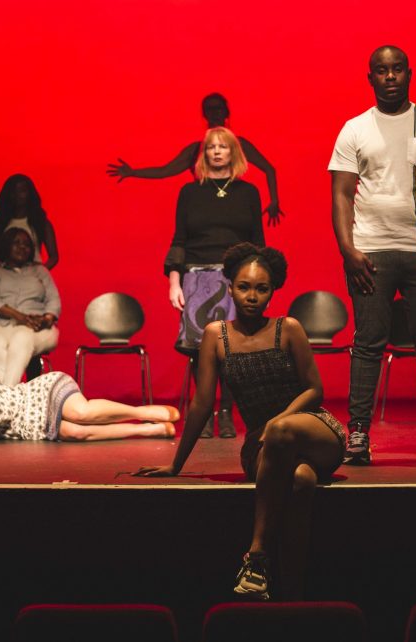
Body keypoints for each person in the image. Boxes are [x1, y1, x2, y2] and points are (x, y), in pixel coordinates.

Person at [137, 243, 346, 601]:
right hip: (265, 449)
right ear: (229, 286)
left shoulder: (289, 328)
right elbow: (202, 404)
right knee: (301, 479)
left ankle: (257, 555)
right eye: (244, 287)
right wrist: (175, 464)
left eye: (261, 289)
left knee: (282, 432)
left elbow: (315, 391)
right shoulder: (216, 335)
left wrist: (277, 422)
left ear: (272, 291)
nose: (252, 296)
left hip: (312, 430)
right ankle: (293, 593)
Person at [329, 45, 416, 466]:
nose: (390, 77)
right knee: (368, 344)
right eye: (381, 71)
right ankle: (358, 435)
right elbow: (341, 194)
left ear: (410, 73)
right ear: (369, 78)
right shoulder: (355, 129)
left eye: (397, 70)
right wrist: (349, 251)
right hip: (371, 253)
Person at [165, 126, 265, 438]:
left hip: (236, 279)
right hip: (197, 278)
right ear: (205, 154)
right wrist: (174, 282)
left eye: (223, 146)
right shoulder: (190, 192)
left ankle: (226, 414)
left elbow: (257, 241)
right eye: (211, 147)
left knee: (233, 350)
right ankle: (205, 411)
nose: (217, 151)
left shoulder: (248, 192)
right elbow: (179, 239)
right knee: (200, 350)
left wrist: (259, 282)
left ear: (233, 152)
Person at [106, 93, 285, 225]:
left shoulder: (239, 145)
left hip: (234, 212)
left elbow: (269, 169)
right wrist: (133, 172)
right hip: (204, 213)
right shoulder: (195, 151)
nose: (214, 112)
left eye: (218, 108)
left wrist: (274, 200)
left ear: (226, 112)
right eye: (210, 109)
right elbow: (165, 171)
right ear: (204, 114)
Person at [0, 372, 179, 442]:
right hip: (34, 427)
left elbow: (1, 414)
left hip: (42, 393)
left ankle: (144, 412)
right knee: (78, 434)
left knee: (82, 413)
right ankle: (149, 430)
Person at [0, 227, 60, 386]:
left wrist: (47, 318)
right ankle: (15, 395)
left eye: (26, 244)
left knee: (22, 337)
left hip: (36, 327)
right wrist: (19, 316)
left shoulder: (40, 271)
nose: (22, 247)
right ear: (6, 246)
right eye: (16, 243)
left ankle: (7, 394)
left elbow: (53, 300)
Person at [0, 174, 59, 270]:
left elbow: (54, 256)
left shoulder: (41, 222)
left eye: (22, 191)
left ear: (30, 194)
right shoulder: (2, 223)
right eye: (14, 191)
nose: (18, 195)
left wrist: (40, 272)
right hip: (6, 278)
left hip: (32, 279)